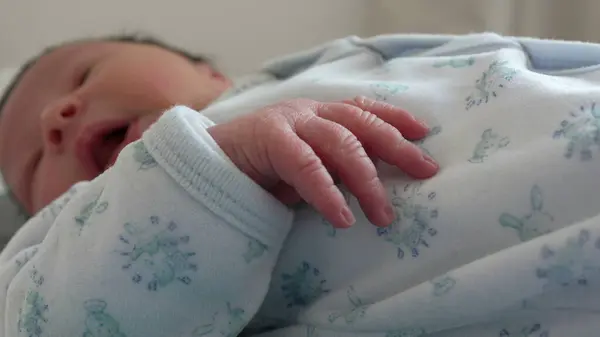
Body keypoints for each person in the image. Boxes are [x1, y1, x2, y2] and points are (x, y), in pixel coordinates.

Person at [1, 31, 600, 337]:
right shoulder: (61, 246)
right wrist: (210, 166)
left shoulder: (332, 66)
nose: (57, 117)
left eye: (83, 74)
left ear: (208, 72)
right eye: (32, 165)